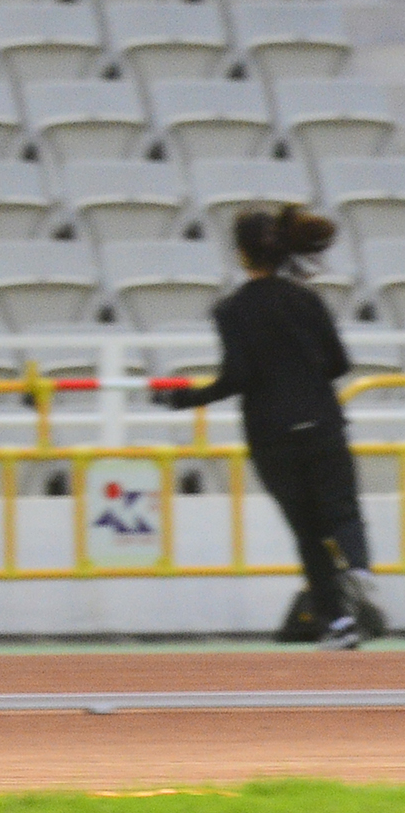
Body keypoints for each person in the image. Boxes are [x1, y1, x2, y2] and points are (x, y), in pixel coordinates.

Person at [156, 204, 382, 650]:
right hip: (321, 421)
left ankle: (337, 622)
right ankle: (359, 567)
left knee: (306, 530)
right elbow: (339, 363)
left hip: (271, 433)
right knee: (342, 510)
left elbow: (237, 377)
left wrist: (186, 398)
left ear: (241, 255)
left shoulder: (232, 310)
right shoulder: (307, 299)